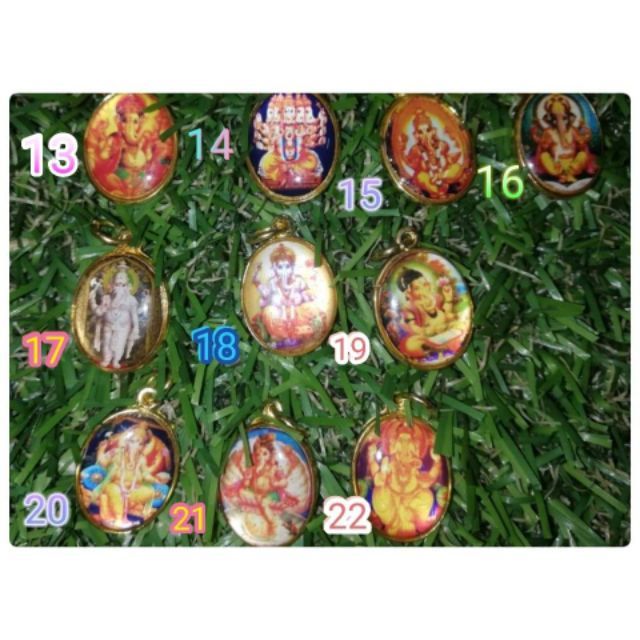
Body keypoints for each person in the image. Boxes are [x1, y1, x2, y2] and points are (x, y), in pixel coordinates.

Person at [89, 261, 140, 369]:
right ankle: (106, 359)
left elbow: (134, 315)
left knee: (120, 344)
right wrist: (92, 300)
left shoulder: (131, 300)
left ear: (128, 286)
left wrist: (136, 328)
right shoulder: (107, 298)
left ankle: (116, 360)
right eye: (117, 284)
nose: (119, 288)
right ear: (112, 285)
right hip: (108, 326)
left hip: (123, 327)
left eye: (123, 285)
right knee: (106, 343)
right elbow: (99, 312)